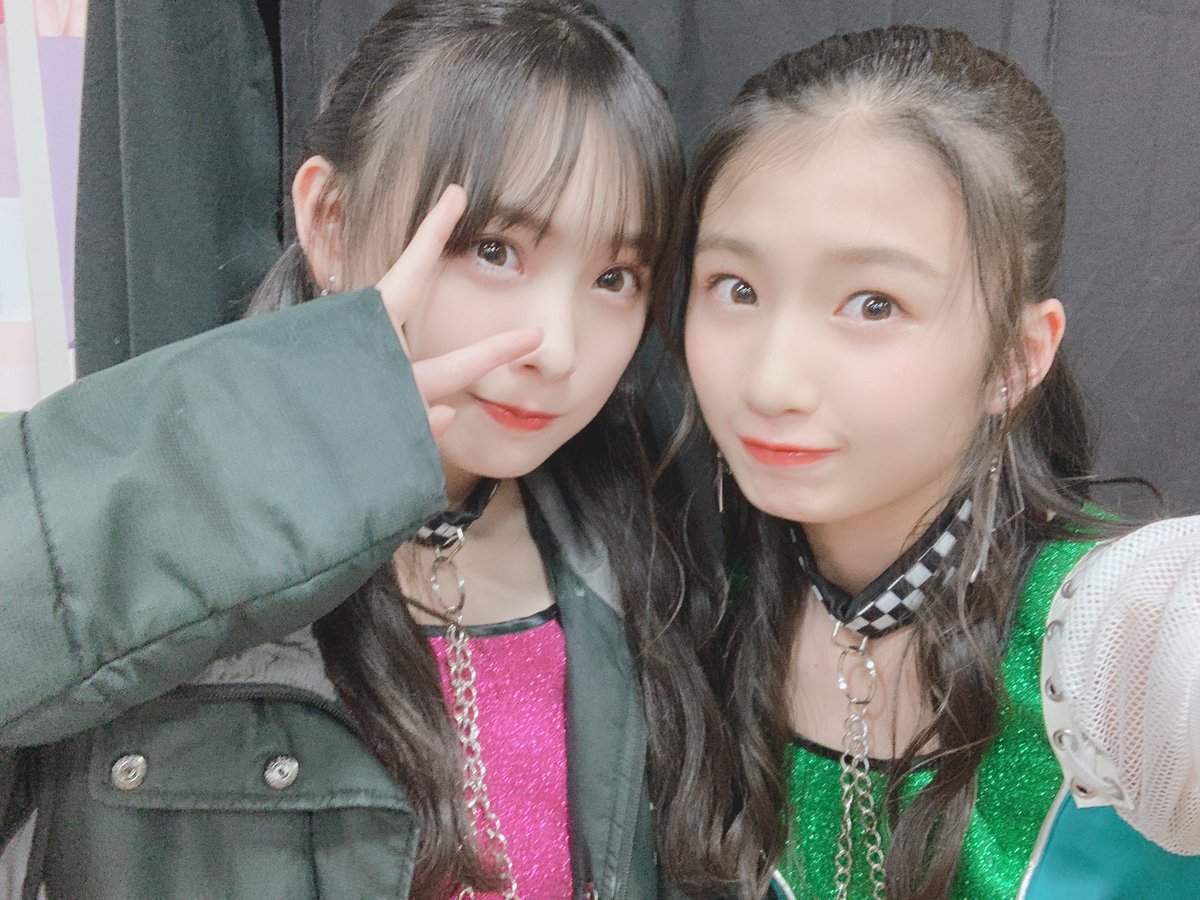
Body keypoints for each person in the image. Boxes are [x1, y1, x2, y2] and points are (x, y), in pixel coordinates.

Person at [0, 1, 699, 896]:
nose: (558, 349)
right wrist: (322, 420)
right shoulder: (176, 539)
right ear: (331, 223)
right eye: (494, 250)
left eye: (614, 278)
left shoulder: (633, 556)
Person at [659, 25, 1200, 899]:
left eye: (874, 304)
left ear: (1016, 358)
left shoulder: (1126, 637)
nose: (770, 381)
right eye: (738, 289)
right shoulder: (698, 610)